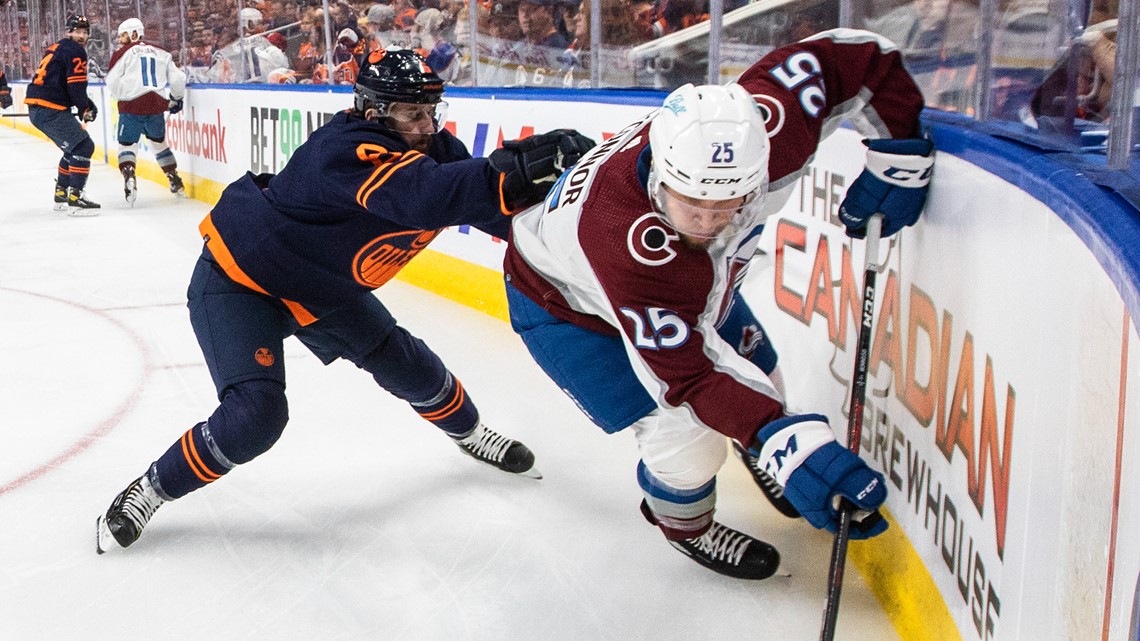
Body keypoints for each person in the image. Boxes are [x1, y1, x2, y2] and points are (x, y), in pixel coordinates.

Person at [95, 49, 595, 553]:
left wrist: (573, 213)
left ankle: (470, 434)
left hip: (322, 290)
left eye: (429, 110)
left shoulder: (439, 148)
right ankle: (152, 488)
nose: (426, 125)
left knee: (411, 366)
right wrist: (508, 173)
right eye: (411, 113)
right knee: (256, 418)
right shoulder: (341, 149)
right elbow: (423, 197)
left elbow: (490, 211)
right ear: (374, 110)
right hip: (241, 282)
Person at [503, 28, 935, 579]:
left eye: (729, 203)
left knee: (765, 379)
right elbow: (689, 378)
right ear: (659, 175)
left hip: (688, 293)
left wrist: (900, 148)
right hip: (566, 308)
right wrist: (778, 436)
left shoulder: (771, 124)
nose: (708, 223)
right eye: (691, 202)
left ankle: (762, 448)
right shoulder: (623, 239)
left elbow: (854, 56)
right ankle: (684, 525)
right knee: (686, 439)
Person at [105, 18, 189, 205]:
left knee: (127, 144)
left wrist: (125, 96)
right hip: (156, 106)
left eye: (123, 35)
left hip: (131, 106)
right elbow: (178, 79)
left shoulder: (122, 53)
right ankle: (174, 178)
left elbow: (111, 81)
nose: (121, 39)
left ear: (134, 33)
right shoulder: (162, 52)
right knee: (158, 143)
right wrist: (176, 99)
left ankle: (129, 175)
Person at [24, 14, 101, 214]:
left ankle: (61, 193)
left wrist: (85, 103)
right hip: (49, 108)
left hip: (41, 107)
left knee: (73, 148)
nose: (82, 36)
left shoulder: (57, 47)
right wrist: (85, 108)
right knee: (84, 146)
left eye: (85, 32)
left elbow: (67, 85)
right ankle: (75, 198)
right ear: (68, 32)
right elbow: (75, 87)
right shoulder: (76, 51)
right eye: (77, 31)